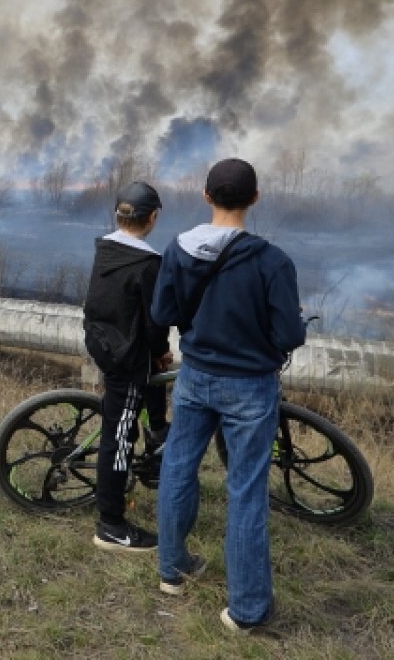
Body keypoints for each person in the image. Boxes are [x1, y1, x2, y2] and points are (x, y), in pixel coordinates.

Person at [151, 158, 307, 634]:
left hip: (195, 375)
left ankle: (172, 571)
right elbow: (289, 334)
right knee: (246, 490)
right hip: (250, 387)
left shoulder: (178, 249)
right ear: (255, 198)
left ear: (206, 196)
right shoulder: (273, 261)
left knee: (179, 464)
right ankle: (246, 610)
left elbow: (163, 311)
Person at [82, 181, 173, 552]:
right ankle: (111, 525)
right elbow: (154, 321)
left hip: (102, 340)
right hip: (125, 356)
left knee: (153, 382)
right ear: (152, 217)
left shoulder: (106, 248)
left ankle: (157, 430)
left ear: (119, 215)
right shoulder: (148, 264)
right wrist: (161, 350)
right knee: (118, 439)